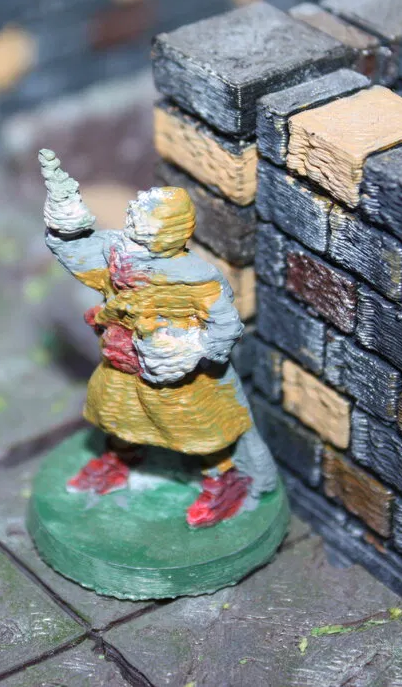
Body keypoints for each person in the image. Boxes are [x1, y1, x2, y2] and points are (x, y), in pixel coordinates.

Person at [39, 148, 278, 528]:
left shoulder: (197, 278)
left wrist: (193, 349)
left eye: (143, 217)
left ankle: (224, 478)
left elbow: (225, 325)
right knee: (116, 415)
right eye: (135, 213)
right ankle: (120, 460)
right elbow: (80, 254)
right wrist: (65, 228)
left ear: (167, 230)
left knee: (200, 431)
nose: (133, 217)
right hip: (122, 361)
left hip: (178, 375)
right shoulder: (115, 254)